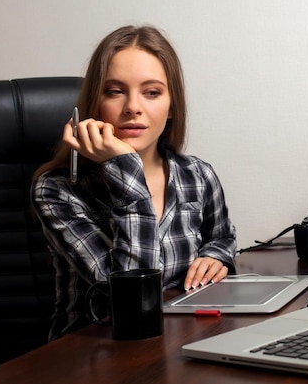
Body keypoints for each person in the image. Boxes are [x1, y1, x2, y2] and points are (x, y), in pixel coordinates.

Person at [31, 25, 237, 339]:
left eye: (152, 92)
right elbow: (130, 296)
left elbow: (223, 238)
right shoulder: (57, 190)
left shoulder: (198, 175)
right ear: (94, 104)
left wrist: (216, 256)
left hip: (177, 343)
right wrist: (126, 168)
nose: (132, 107)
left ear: (172, 107)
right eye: (115, 91)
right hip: (93, 355)